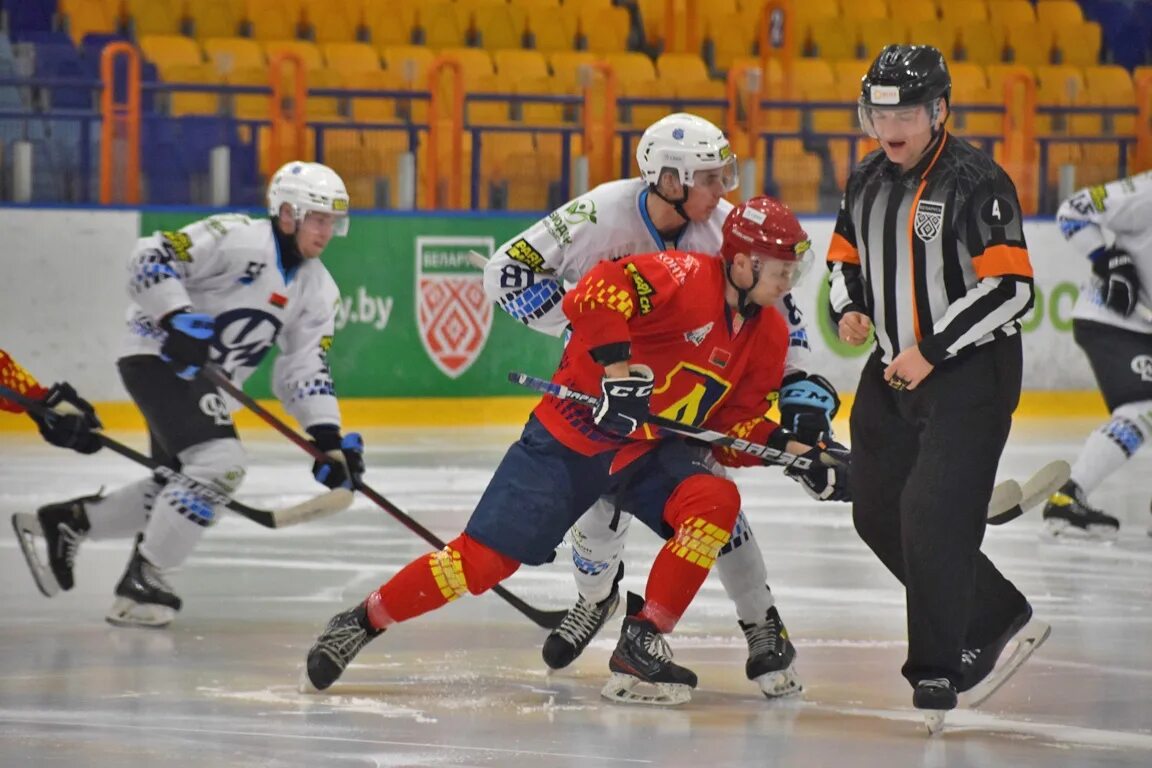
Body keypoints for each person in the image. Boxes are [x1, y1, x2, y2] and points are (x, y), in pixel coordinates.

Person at [303, 196, 850, 706]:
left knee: (714, 502)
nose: (788, 281)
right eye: (780, 267)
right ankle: (362, 620)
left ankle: (642, 642)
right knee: (479, 564)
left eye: (791, 268)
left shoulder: (769, 334)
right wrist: (617, 375)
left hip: (646, 452)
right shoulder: (682, 277)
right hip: (571, 438)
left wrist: (800, 455)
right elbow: (592, 294)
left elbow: (733, 425)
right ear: (741, 263)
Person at [483, 112, 842, 698]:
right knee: (597, 512)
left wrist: (801, 423)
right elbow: (508, 274)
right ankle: (595, 600)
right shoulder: (600, 212)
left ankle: (761, 622)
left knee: (717, 510)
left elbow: (784, 330)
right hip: (618, 397)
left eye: (724, 174)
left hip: (698, 402)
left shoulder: (728, 230)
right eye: (708, 177)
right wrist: (593, 338)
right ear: (667, 178)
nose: (722, 189)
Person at [11, 161, 366, 629]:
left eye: (332, 221)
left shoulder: (319, 289)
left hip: (206, 382)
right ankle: (146, 577)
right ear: (286, 213)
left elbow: (304, 367)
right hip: (157, 357)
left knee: (178, 483)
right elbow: (150, 255)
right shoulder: (238, 237)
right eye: (317, 217)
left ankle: (72, 522)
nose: (326, 230)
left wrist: (326, 438)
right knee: (220, 465)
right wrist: (175, 315)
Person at [827, 44, 1049, 728]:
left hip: (968, 374)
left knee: (928, 515)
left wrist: (933, 348)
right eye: (876, 116)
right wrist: (849, 308)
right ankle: (995, 611)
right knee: (876, 512)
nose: (890, 131)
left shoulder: (976, 180)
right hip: (894, 370)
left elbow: (1011, 291)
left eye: (907, 116)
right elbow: (844, 258)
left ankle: (937, 668)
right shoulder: (866, 175)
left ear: (939, 110)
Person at [1043, 172, 1152, 539]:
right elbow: (1072, 212)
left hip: (1141, 326)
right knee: (1143, 408)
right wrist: (1109, 259)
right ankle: (1067, 496)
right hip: (1113, 319)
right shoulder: (1146, 193)